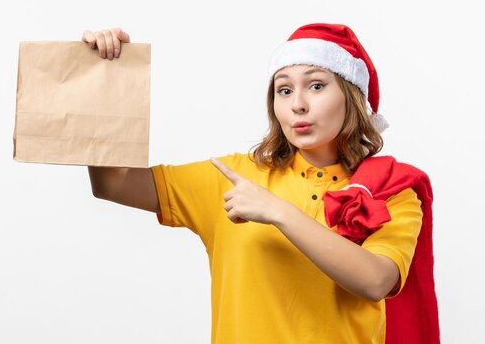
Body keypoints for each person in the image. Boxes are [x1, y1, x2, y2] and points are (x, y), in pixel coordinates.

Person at [83, 24, 438, 344]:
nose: (298, 104)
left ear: (351, 95)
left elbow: (376, 281)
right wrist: (106, 84)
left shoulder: (393, 190)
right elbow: (115, 184)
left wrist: (277, 211)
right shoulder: (233, 176)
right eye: (284, 90)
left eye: (316, 86)